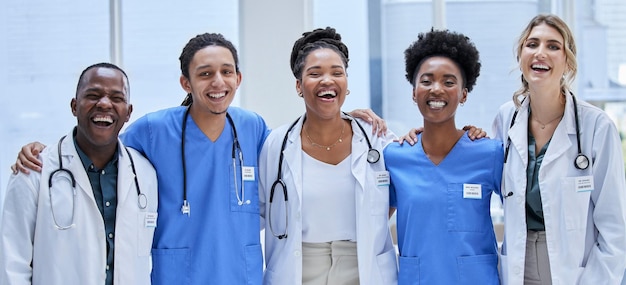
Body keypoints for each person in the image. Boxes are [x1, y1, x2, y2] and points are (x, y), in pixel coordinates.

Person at [11, 33, 388, 285]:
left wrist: (348, 117)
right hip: (177, 274)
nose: (217, 82)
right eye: (204, 74)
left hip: (240, 273)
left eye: (226, 72)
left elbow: (301, 144)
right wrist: (41, 149)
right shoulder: (154, 129)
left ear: (239, 78)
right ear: (186, 83)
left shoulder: (253, 127)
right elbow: (100, 144)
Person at [493, 14, 626, 285]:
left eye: (553, 46)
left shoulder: (596, 127)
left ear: (568, 62)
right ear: (521, 55)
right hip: (519, 261)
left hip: (577, 267)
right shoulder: (506, 118)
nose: (541, 52)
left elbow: (615, 224)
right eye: (532, 44)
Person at [258, 27, 398, 285]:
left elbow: (414, 177)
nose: (327, 80)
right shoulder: (275, 145)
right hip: (298, 269)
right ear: (299, 86)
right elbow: (258, 214)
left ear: (346, 83)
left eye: (337, 73)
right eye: (315, 74)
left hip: (363, 266)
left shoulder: (375, 137)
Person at [0, 62, 159, 285]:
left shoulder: (145, 173)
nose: (104, 104)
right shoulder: (33, 171)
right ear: (74, 106)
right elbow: (12, 265)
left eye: (116, 97)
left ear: (128, 112)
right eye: (93, 95)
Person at [385, 29, 503, 285]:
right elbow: (371, 220)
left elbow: (521, 217)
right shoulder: (394, 158)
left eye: (449, 82)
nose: (437, 89)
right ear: (414, 91)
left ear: (463, 94)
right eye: (426, 81)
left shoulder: (489, 153)